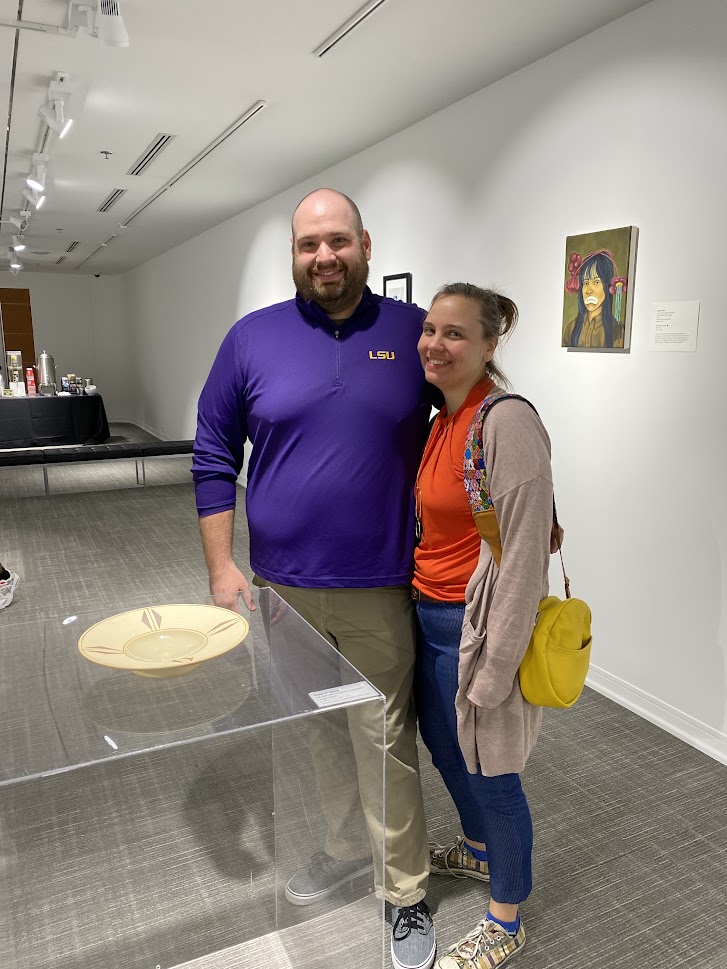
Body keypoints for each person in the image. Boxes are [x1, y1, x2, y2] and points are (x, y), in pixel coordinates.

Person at [193, 188, 436, 969]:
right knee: (318, 727)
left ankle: (403, 893)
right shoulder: (250, 339)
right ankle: (341, 846)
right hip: (281, 588)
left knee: (384, 736)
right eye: (307, 245)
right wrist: (222, 567)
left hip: (378, 584)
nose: (323, 257)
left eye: (337, 241)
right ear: (292, 255)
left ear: (365, 243)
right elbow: (210, 453)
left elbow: (476, 417)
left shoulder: (413, 332)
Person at [412, 283, 554, 968]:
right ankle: (474, 851)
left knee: (494, 774)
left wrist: (497, 666)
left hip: (476, 634)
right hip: (428, 618)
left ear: (490, 345)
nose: (435, 344)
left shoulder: (504, 421)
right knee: (447, 753)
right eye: (429, 329)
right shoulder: (441, 417)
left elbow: (525, 556)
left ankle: (506, 917)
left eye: (455, 333)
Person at [562, 248, 626, 348]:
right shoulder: (570, 329)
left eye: (596, 282)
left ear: (607, 286)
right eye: (586, 283)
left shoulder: (618, 331)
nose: (588, 290)